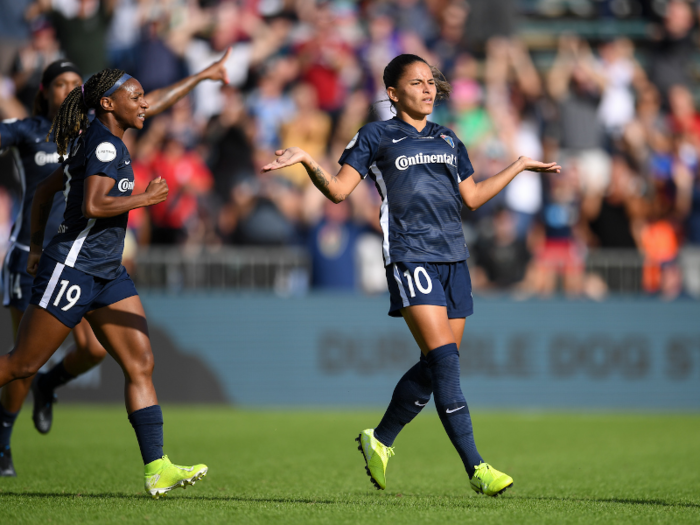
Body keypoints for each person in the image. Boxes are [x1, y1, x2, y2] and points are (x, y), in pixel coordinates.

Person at [262, 54, 560, 496]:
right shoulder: (376, 135)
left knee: (435, 364)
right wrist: (308, 160)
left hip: (454, 259)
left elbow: (473, 198)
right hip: (410, 255)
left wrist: (516, 166)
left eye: (431, 83)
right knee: (445, 362)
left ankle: (379, 440)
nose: (428, 89)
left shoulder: (448, 137)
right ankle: (477, 467)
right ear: (393, 92)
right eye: (417, 82)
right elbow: (341, 192)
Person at [0, 52, 231, 485]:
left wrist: (34, 246)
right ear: (109, 104)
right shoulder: (105, 144)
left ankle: (157, 468)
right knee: (21, 365)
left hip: (106, 271)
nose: (144, 103)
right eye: (136, 96)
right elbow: (92, 205)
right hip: (74, 268)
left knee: (140, 362)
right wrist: (145, 199)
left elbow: (48, 191)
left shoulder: (94, 137)